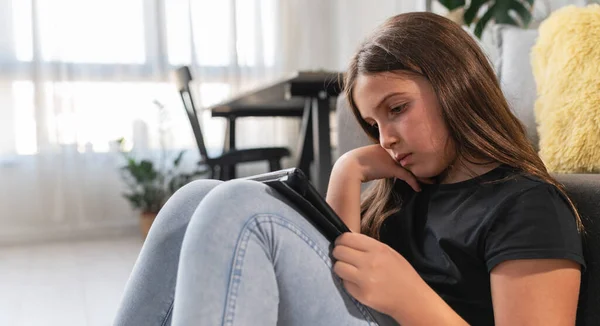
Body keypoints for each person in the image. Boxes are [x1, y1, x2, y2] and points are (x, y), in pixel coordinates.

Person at [114, 12, 585, 326]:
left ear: (456, 85)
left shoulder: (525, 205)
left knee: (242, 207)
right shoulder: (410, 187)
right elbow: (337, 266)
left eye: (397, 108)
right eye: (373, 123)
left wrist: (411, 299)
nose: (386, 138)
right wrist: (350, 168)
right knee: (191, 200)